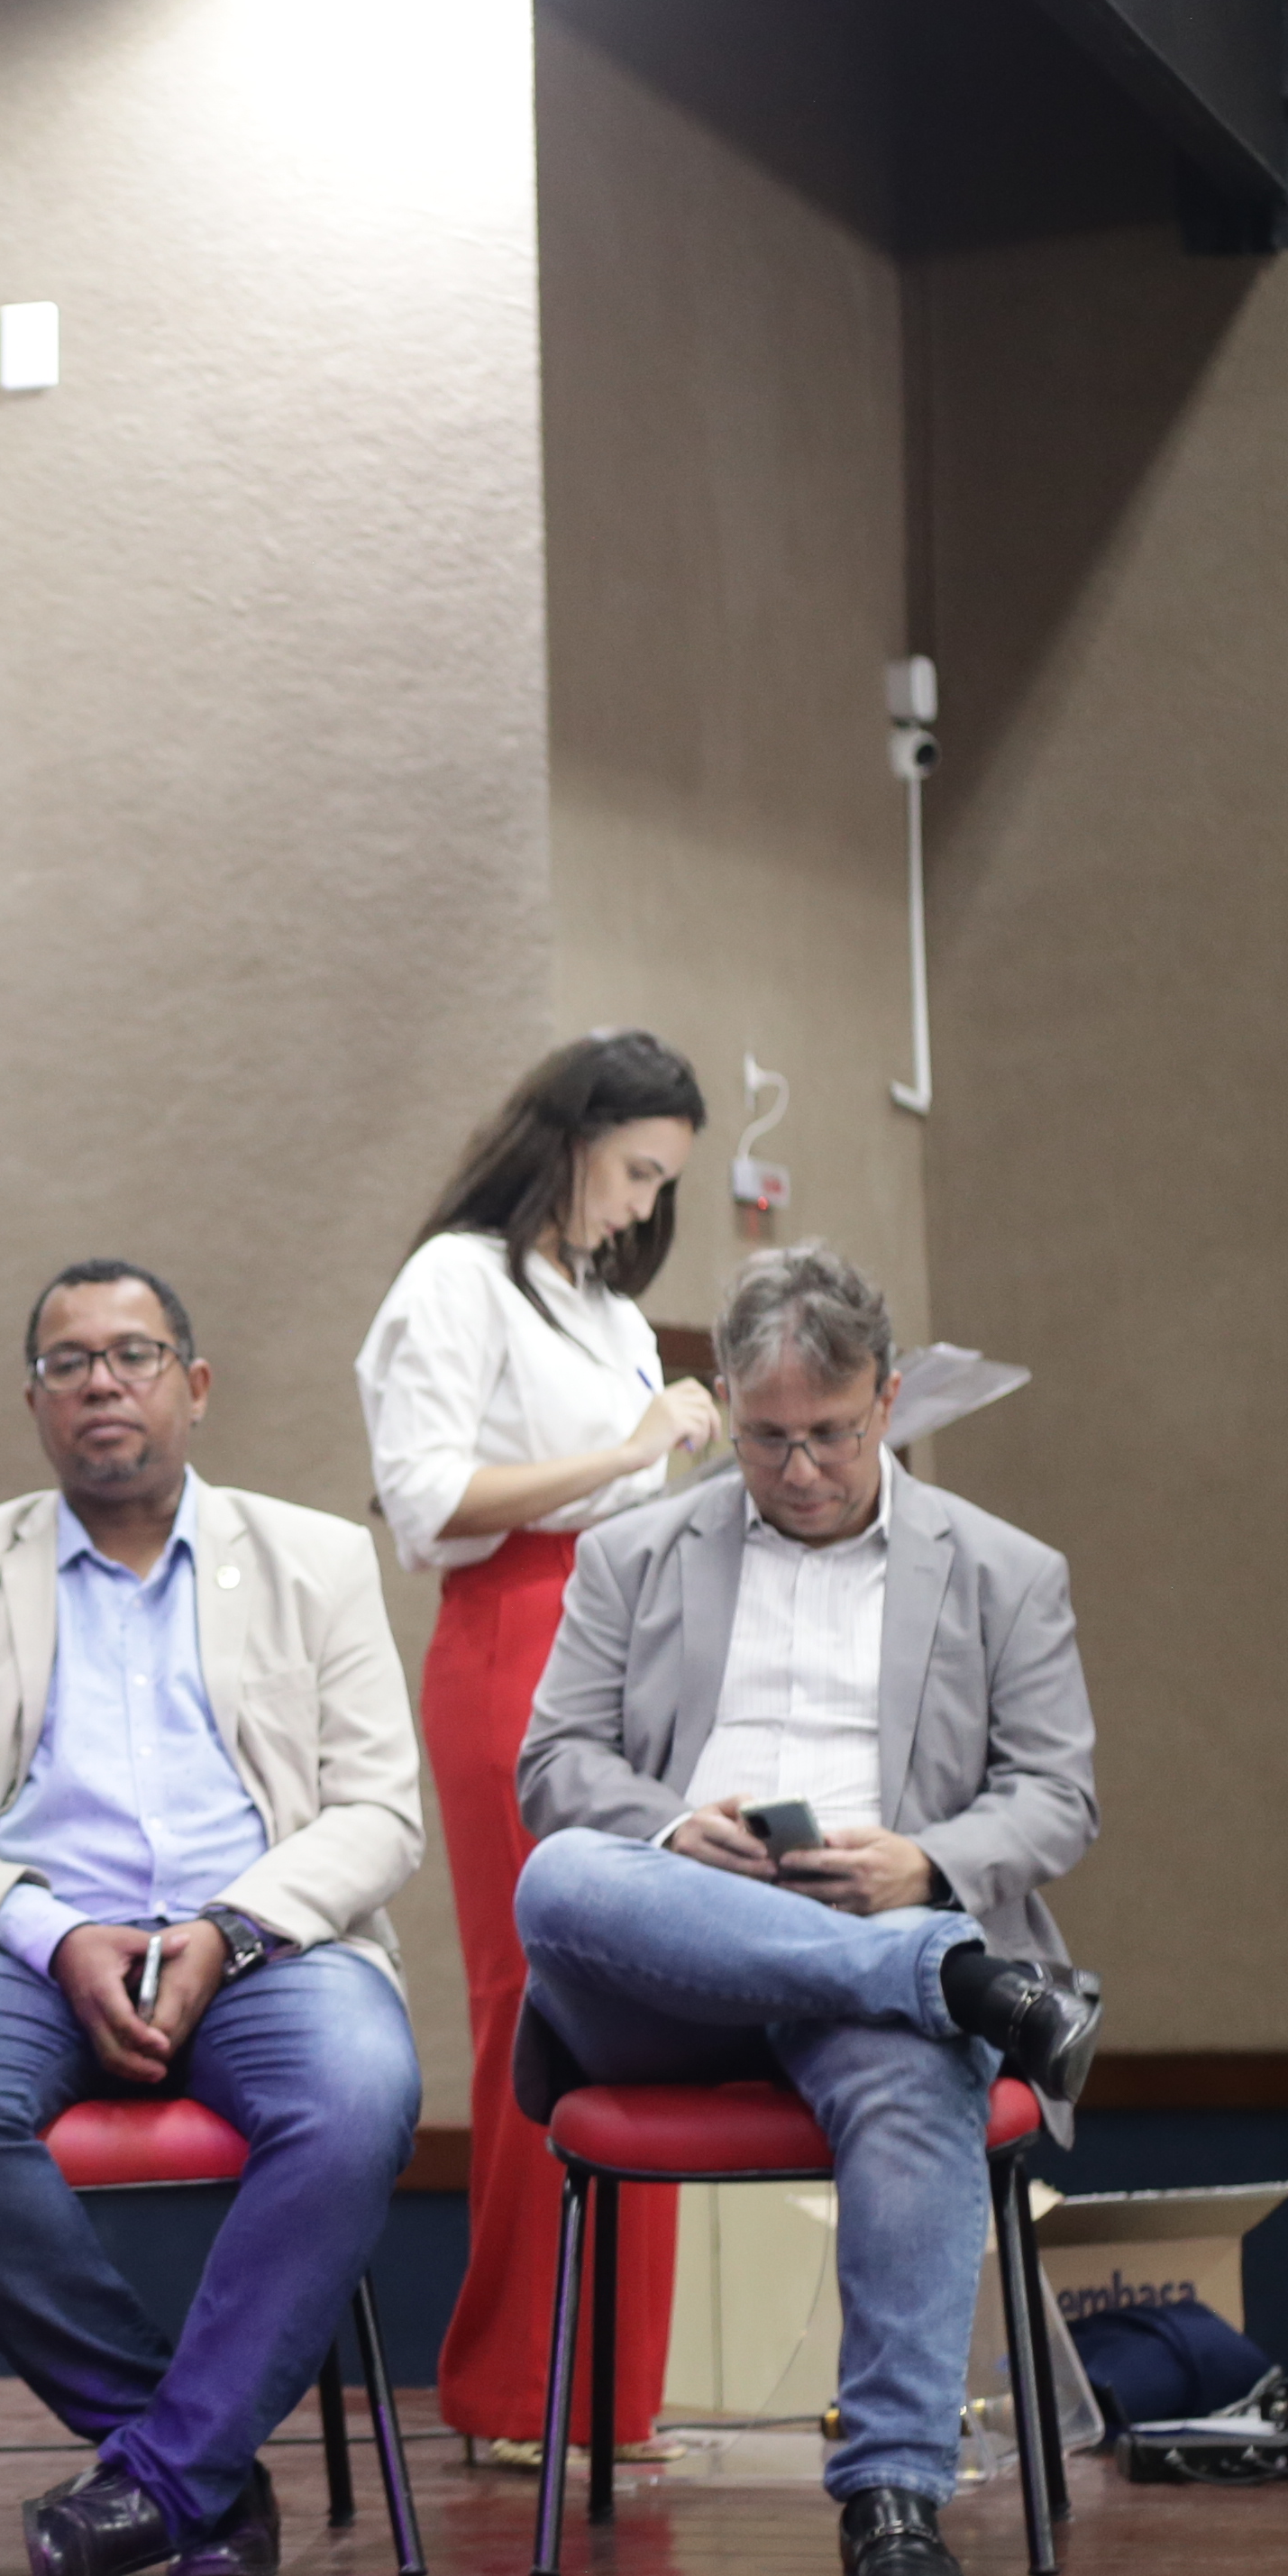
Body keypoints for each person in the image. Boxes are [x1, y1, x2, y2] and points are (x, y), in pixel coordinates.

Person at [508, 1243, 1105, 2576]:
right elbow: (554, 1770)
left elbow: (1057, 1796)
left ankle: (894, 2498)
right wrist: (675, 1830)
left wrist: (927, 1863)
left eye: (831, 1435)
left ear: (887, 1400)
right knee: (562, 1877)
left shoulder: (1004, 1572)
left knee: (912, 2077)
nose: (800, 1470)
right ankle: (957, 1979)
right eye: (768, 1437)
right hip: (669, 1969)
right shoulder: (632, 1555)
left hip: (864, 1969)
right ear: (726, 1401)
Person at [0, 1259, 428, 2576]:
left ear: (195, 1384)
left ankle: (160, 2478)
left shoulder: (315, 1561)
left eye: (134, 1355)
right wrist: (53, 1936)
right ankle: (199, 2470)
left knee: (361, 2091)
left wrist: (232, 1930)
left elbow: (380, 1814)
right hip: (30, 1947)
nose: (102, 1384)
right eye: (69, 1364)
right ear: (35, 1402)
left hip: (264, 1944)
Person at [355, 1029, 720, 2466]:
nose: (642, 1206)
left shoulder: (603, 1304)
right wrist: (632, 1449)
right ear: (567, 1140)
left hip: (628, 1634)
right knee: (541, 1997)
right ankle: (522, 2391)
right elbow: (428, 1501)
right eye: (634, 1170)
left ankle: (612, 2397)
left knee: (651, 1995)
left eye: (663, 1183)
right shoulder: (456, 1281)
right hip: (517, 1632)